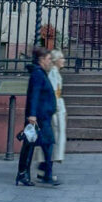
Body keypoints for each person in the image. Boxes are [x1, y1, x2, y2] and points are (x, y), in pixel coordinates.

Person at [15, 46, 59, 187]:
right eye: (48, 59)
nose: (50, 61)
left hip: (42, 116)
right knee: (38, 144)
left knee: (36, 144)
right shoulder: (38, 74)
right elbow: (34, 95)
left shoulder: (40, 73)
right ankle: (37, 174)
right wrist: (32, 115)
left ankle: (42, 173)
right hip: (39, 117)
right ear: (41, 60)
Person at [48, 49, 67, 162]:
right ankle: (55, 157)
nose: (63, 60)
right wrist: (58, 108)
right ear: (55, 60)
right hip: (56, 107)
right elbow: (54, 93)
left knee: (59, 132)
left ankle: (56, 156)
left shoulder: (55, 73)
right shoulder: (53, 73)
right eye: (61, 58)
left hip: (58, 105)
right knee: (57, 132)